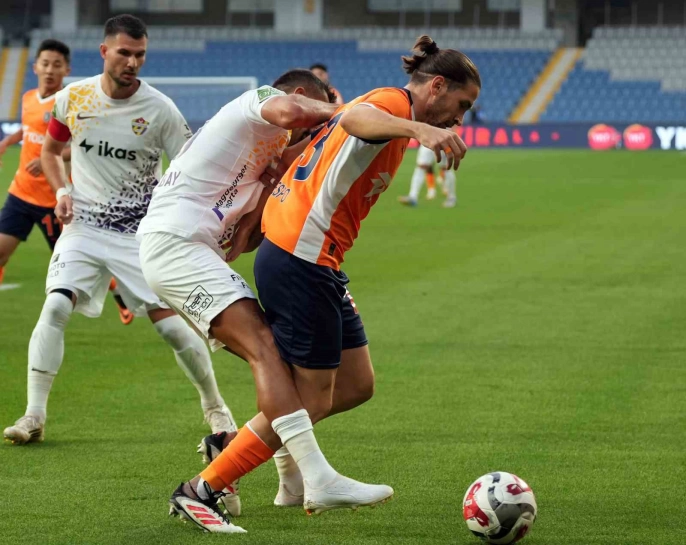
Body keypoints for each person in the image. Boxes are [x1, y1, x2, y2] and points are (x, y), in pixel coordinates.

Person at [179, 34, 480, 529]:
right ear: (437, 86)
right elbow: (354, 117)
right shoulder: (392, 104)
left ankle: (242, 452)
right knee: (313, 395)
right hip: (302, 257)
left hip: (315, 259)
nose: (460, 118)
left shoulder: (393, 111)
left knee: (357, 384)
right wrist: (418, 129)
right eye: (462, 105)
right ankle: (203, 488)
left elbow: (312, 151)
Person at [137, 68, 392, 534]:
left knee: (312, 374)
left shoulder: (268, 154)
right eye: (313, 117)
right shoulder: (257, 101)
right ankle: (303, 477)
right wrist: (345, 111)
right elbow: (291, 112)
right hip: (174, 247)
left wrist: (270, 190)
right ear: (301, 95)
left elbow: (250, 235)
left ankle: (249, 457)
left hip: (193, 252)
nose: (311, 132)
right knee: (264, 348)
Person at [2, 14, 234, 446]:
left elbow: (190, 168)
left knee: (170, 329)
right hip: (84, 227)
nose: (132, 62)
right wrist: (62, 191)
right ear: (104, 51)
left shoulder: (160, 110)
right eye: (124, 53)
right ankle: (34, 415)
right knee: (54, 308)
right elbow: (51, 151)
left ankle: (215, 405)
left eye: (140, 54)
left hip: (139, 235)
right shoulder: (73, 98)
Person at [0, 39, 135, 323]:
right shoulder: (28, 97)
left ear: (66, 70)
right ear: (35, 67)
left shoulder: (71, 102)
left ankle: (119, 295)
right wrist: (6, 143)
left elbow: (83, 144)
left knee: (76, 265)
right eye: (45, 64)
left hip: (56, 200)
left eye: (57, 65)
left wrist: (50, 157)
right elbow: (27, 129)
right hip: (20, 193)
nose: (50, 70)